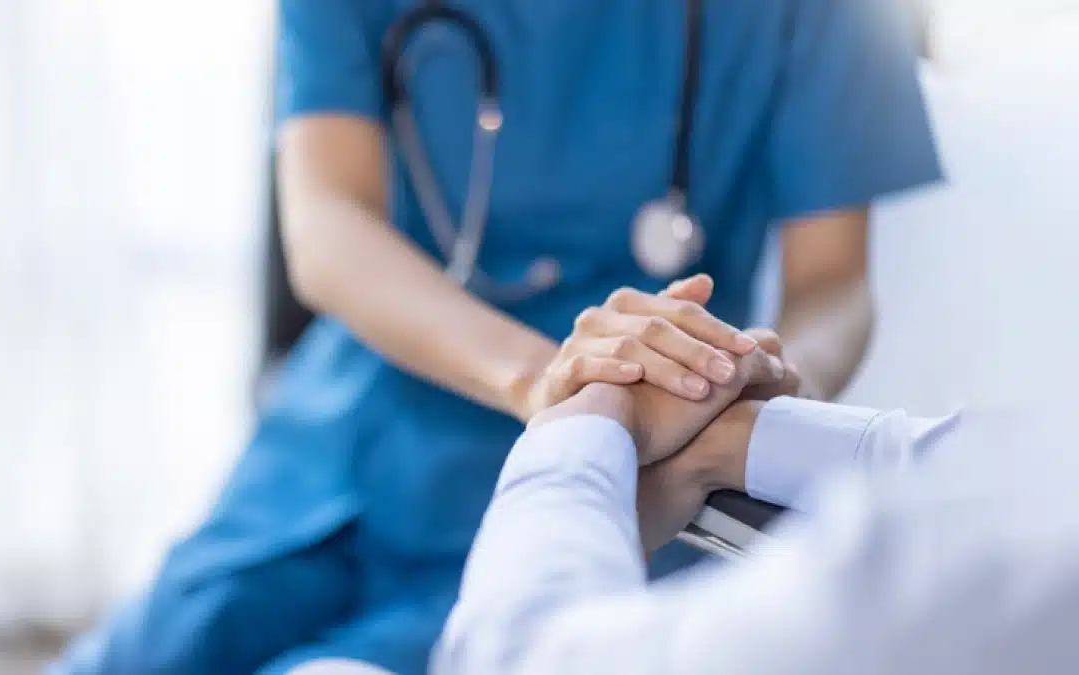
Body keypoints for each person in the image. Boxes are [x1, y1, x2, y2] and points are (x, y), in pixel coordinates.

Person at [53, 0, 941, 672]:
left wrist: (764, 381)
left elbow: (833, 285)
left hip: (639, 473)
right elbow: (325, 227)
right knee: (157, 644)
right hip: (363, 432)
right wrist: (551, 380)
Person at [432, 380, 1077, 674]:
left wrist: (586, 419)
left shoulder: (990, 576)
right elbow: (1016, 466)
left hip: (541, 556)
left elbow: (519, 659)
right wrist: (739, 436)